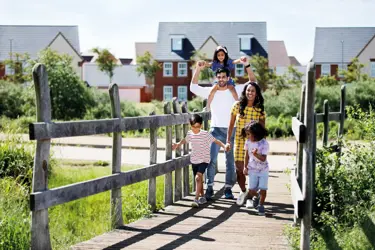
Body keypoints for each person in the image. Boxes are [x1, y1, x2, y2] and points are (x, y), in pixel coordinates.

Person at [190, 59, 256, 200]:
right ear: (216, 78)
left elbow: (253, 82)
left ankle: (228, 188)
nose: (221, 79)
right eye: (219, 77)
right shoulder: (211, 91)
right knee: (211, 159)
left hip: (232, 131)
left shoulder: (236, 89)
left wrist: (247, 65)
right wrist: (198, 69)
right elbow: (193, 87)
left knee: (230, 161)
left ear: (228, 78)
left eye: (223, 77)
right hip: (215, 130)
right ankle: (209, 187)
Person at [172, 114, 227, 207]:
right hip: (194, 159)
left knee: (198, 177)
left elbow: (216, 141)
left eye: (197, 127)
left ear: (201, 125)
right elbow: (185, 140)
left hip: (204, 159)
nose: (195, 129)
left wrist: (224, 146)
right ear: (190, 125)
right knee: (199, 179)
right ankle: (202, 196)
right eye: (193, 127)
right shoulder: (190, 133)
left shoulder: (205, 134)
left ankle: (196, 199)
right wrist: (178, 144)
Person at [225, 81, 266, 206]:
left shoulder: (260, 109)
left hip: (254, 144)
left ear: (256, 93)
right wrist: (227, 140)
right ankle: (244, 192)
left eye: (253, 91)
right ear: (245, 92)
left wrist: (262, 145)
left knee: (253, 171)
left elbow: (263, 128)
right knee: (239, 170)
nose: (250, 93)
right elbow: (231, 124)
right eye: (248, 90)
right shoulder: (237, 106)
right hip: (239, 142)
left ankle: (250, 196)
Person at [204, 45, 246, 111]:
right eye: (218, 55)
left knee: (232, 89)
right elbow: (208, 64)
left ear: (225, 55)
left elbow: (234, 62)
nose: (220, 57)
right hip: (218, 80)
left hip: (227, 80)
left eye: (222, 55)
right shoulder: (215, 63)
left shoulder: (228, 62)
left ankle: (238, 104)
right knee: (213, 90)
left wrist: (241, 59)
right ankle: (208, 106)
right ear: (216, 56)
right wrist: (202, 63)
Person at [242, 122, 269, 216]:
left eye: (249, 134)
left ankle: (261, 206)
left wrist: (255, 154)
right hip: (252, 169)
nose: (247, 136)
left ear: (256, 133)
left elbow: (263, 158)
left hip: (263, 170)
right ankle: (257, 197)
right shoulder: (248, 142)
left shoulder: (264, 143)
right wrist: (245, 167)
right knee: (251, 190)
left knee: (263, 190)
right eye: (247, 134)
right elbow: (246, 156)